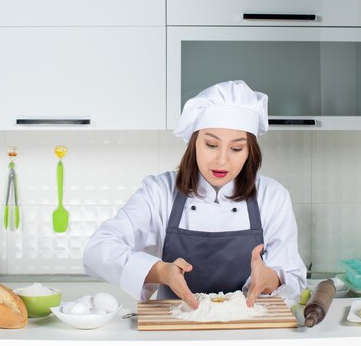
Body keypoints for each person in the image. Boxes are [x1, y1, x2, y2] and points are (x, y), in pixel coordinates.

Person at [83, 80, 307, 309]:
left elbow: (294, 278)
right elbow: (98, 249)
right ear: (194, 142)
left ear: (250, 151)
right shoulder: (159, 192)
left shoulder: (272, 196)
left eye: (236, 148)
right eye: (211, 144)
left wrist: (269, 278)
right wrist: (160, 271)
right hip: (174, 328)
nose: (222, 160)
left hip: (247, 330)